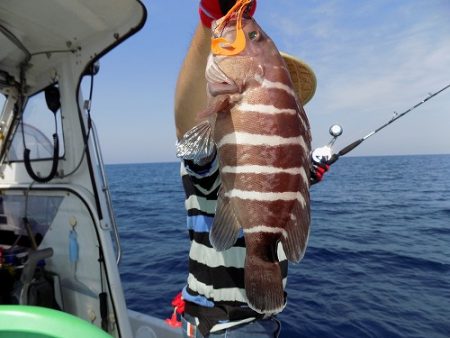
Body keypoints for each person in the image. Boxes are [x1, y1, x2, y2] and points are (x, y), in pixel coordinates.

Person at [172, 1, 329, 337]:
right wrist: (209, 22)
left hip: (266, 322)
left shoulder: (285, 146)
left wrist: (306, 176)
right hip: (219, 323)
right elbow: (189, 140)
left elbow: (269, 183)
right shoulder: (207, 141)